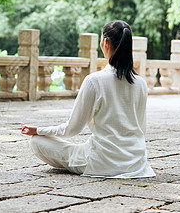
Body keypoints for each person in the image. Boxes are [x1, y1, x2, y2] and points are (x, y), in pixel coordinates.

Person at [21, 20, 155, 178]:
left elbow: (72, 129)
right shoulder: (141, 83)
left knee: (36, 142)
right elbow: (141, 129)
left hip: (102, 161)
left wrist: (38, 130)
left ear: (105, 42)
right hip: (136, 163)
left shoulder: (94, 81)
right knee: (76, 147)